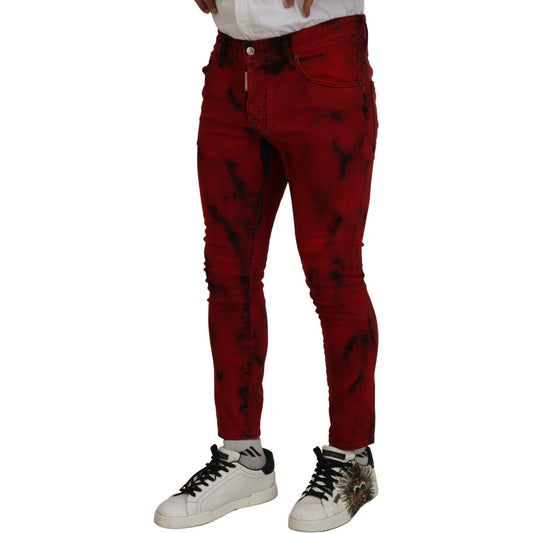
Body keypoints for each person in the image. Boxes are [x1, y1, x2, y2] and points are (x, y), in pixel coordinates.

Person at [154, 0, 379, 530]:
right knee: (227, 273)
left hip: (322, 61)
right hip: (232, 63)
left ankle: (353, 460)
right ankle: (243, 457)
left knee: (333, 275)